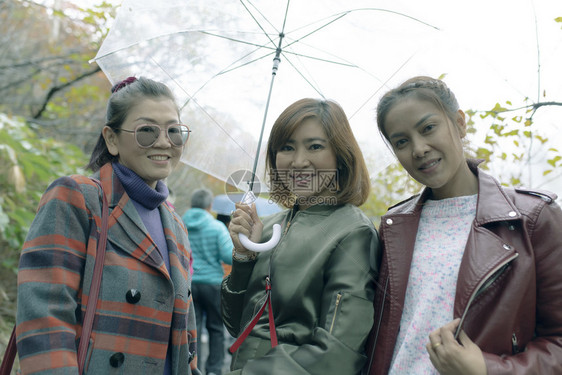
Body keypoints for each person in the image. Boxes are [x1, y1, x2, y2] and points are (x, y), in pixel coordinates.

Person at [365, 76, 562, 375]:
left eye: (428, 128)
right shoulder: (394, 228)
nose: (418, 149)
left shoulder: (532, 219)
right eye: (401, 141)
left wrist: (488, 369)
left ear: (459, 123)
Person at [16, 76, 201, 375]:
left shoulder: (177, 228)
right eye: (147, 131)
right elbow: (44, 318)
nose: (165, 142)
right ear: (112, 139)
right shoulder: (77, 198)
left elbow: (185, 339)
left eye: (174, 131)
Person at [222, 98, 380, 374]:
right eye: (286, 147)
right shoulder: (268, 226)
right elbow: (237, 325)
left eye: (315, 146)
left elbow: (337, 352)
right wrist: (244, 256)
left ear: (340, 156)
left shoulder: (354, 233)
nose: (298, 161)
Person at [182, 188, 234, 375]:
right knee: (216, 328)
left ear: (191, 203)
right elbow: (229, 257)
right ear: (210, 206)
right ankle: (214, 370)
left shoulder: (179, 223)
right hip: (212, 284)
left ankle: (194, 368)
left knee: (192, 330)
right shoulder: (216, 227)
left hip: (188, 284)